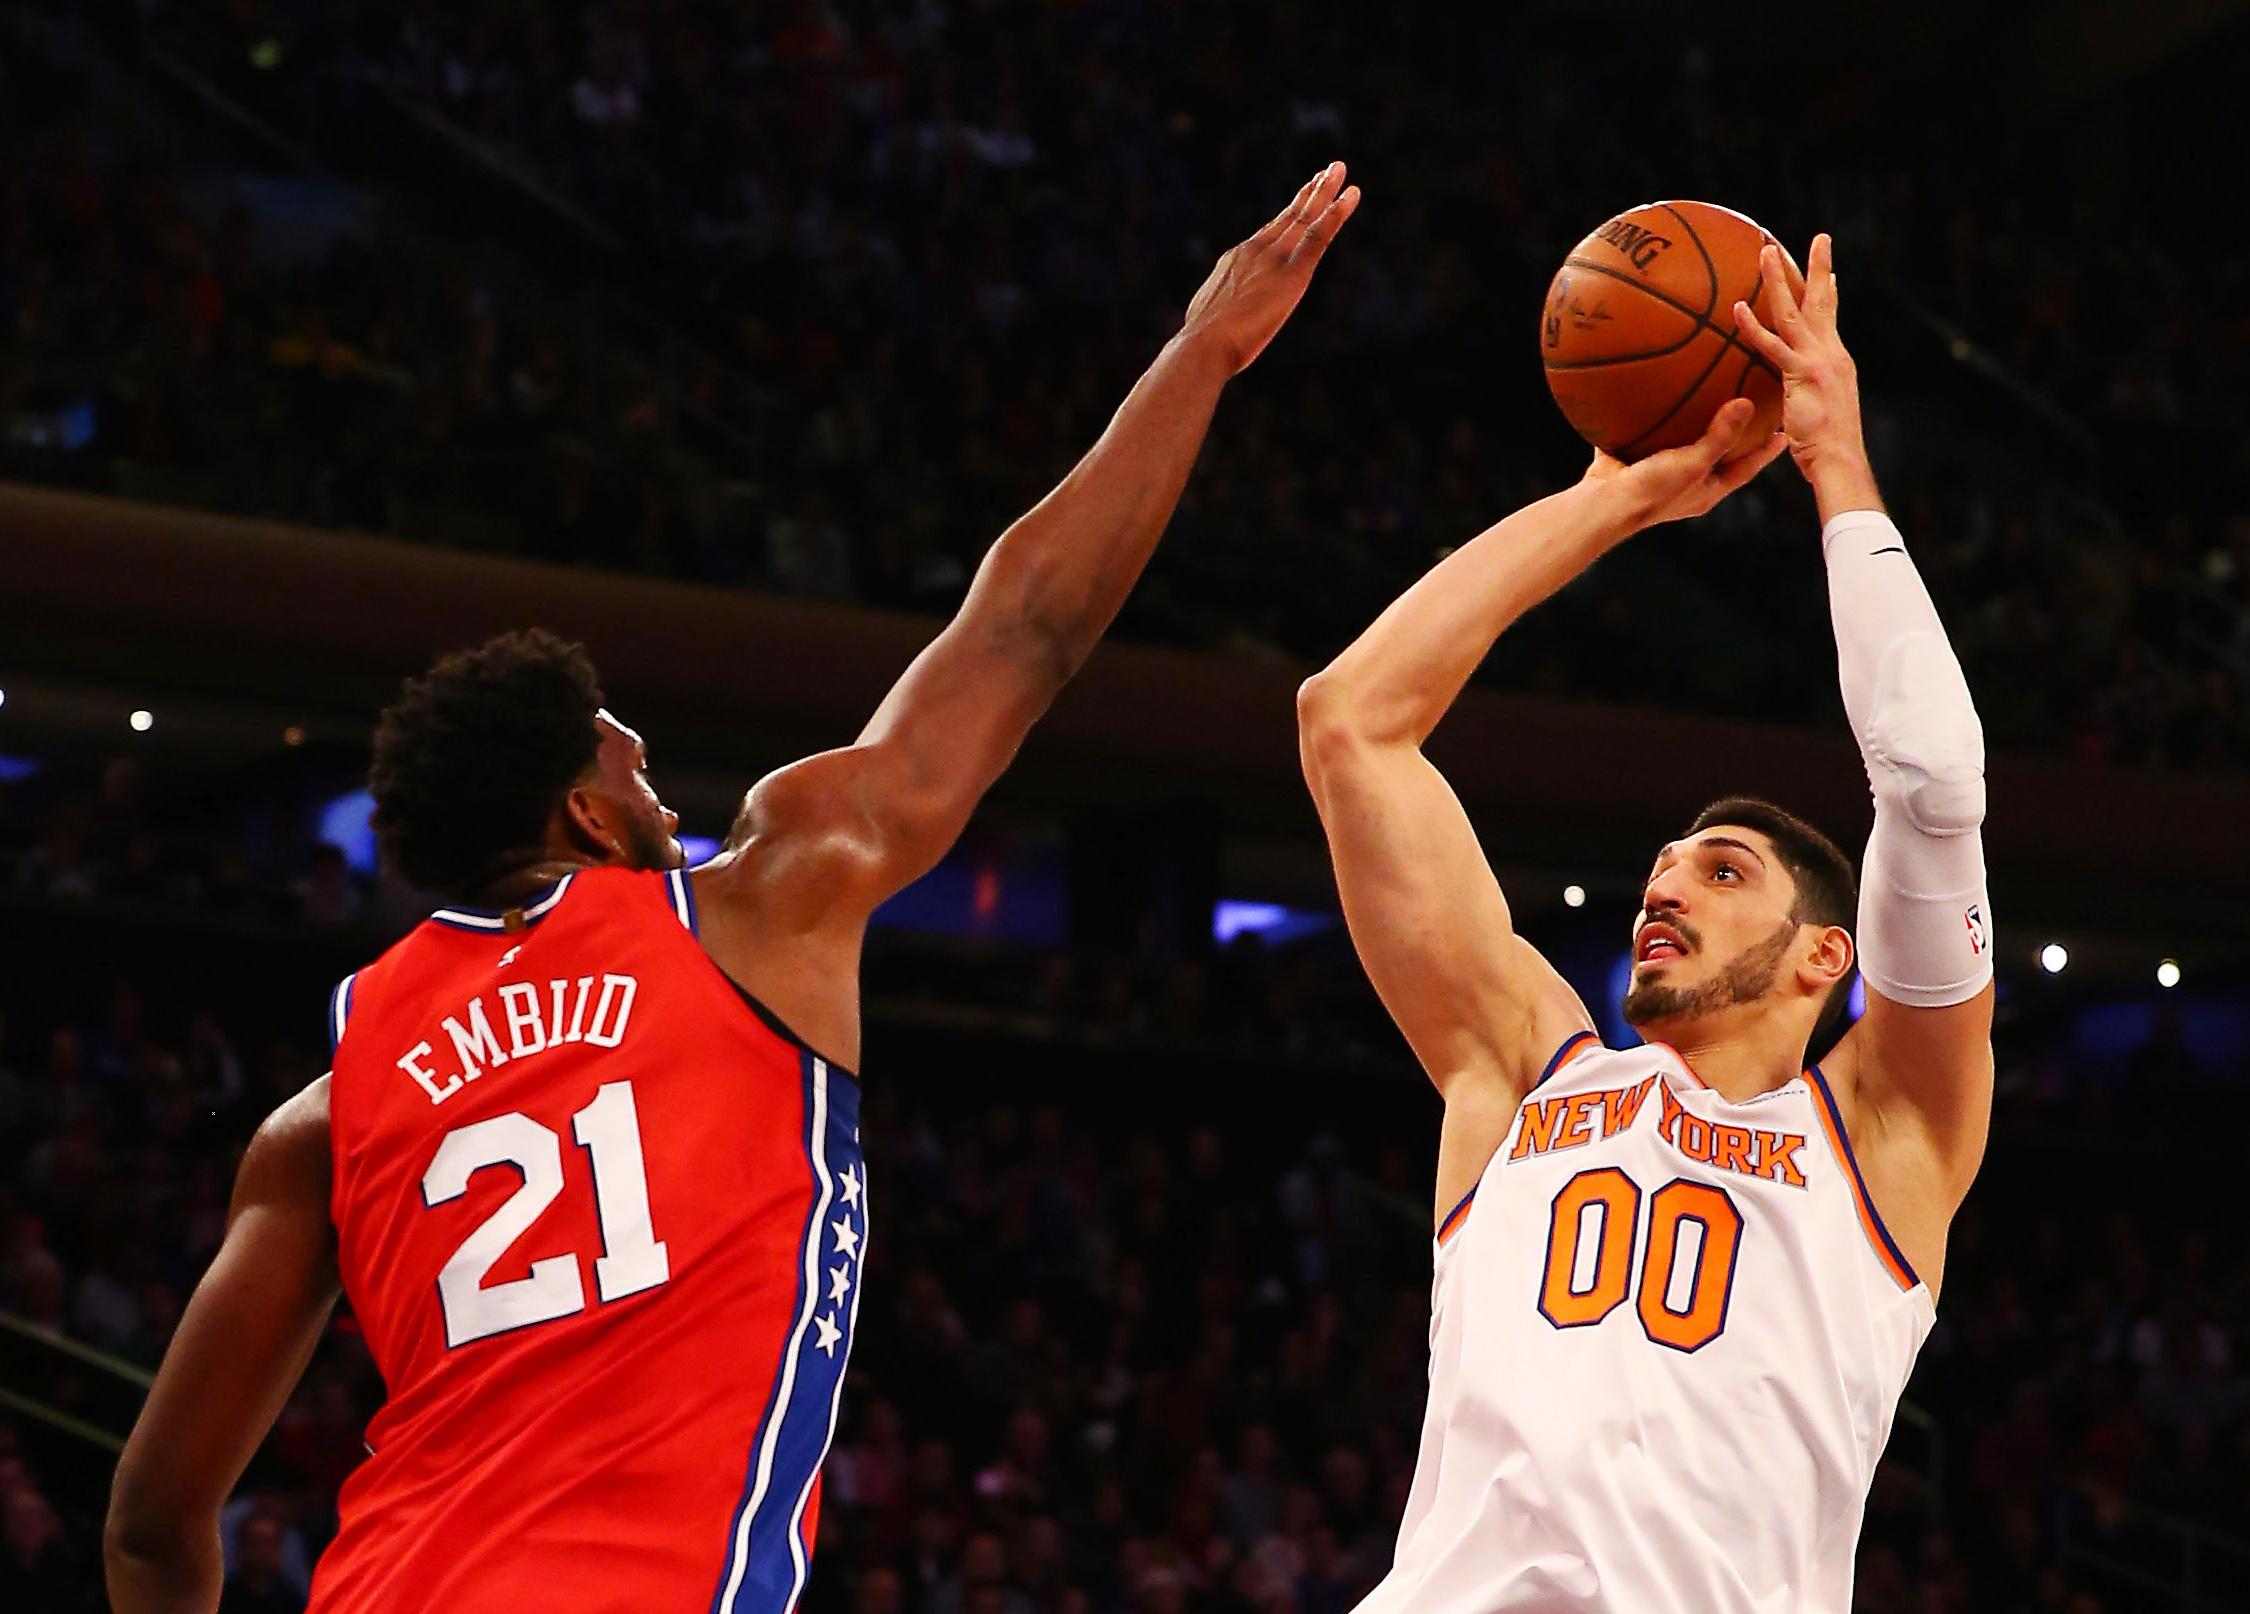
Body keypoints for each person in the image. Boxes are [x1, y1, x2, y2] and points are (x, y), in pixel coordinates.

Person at [105, 164, 1362, 1614]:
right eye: (638, 773)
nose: (669, 802)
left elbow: (150, 1518)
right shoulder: (755, 905)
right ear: (583, 807)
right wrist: (1202, 350)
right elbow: (1022, 627)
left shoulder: (325, 1106)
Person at [1297, 235, 1993, 1613]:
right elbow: (1350, 719)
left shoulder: (1880, 1134)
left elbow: (1930, 782)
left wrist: (1834, 465)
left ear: (1824, 952)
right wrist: (1614, 502)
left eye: (1722, 870)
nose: (1663, 884)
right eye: (1663, 865)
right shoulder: (1520, 1070)